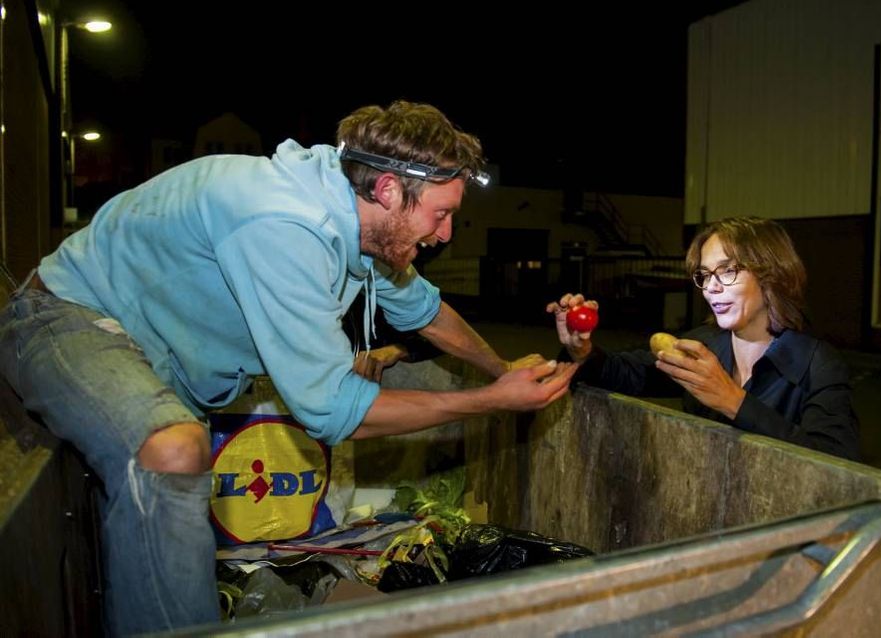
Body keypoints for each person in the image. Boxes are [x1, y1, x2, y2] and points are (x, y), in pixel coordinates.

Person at [0, 100, 576, 635]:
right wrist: (491, 401)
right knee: (173, 450)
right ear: (387, 189)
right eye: (441, 214)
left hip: (147, 358)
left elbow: (425, 311)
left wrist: (500, 367)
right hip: (63, 319)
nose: (446, 233)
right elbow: (331, 408)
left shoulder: (353, 219)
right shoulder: (285, 223)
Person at [546, 216, 859, 460]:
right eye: (705, 275)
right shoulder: (704, 344)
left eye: (727, 271)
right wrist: (580, 349)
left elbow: (838, 461)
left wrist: (733, 401)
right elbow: (625, 373)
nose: (710, 287)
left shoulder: (818, 364)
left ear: (771, 275)